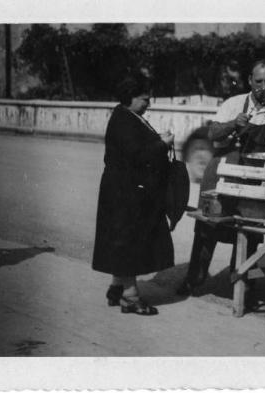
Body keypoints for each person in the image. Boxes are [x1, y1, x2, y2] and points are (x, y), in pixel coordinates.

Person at [177, 59, 265, 296]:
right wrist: (234, 123)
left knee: (249, 231)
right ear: (249, 81)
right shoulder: (234, 103)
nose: (263, 86)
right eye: (258, 81)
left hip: (256, 176)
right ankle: (194, 278)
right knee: (208, 226)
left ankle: (242, 284)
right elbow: (213, 133)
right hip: (224, 172)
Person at [92, 75, 175, 316]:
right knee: (130, 242)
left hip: (123, 191)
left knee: (123, 240)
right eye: (144, 99)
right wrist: (163, 144)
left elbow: (136, 148)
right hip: (125, 194)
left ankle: (117, 287)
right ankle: (130, 297)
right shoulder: (124, 120)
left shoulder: (127, 116)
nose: (148, 103)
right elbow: (137, 156)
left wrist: (158, 140)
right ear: (131, 97)